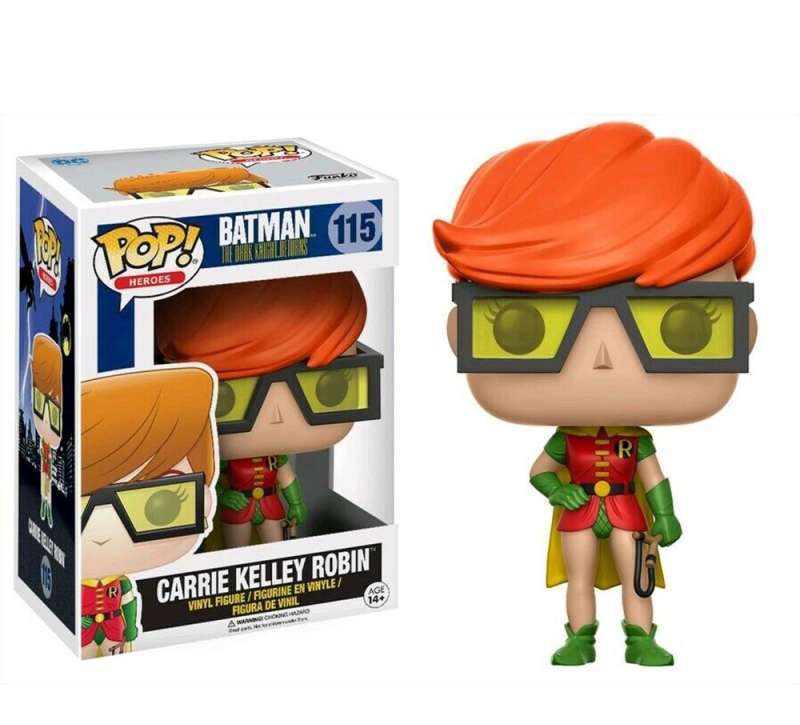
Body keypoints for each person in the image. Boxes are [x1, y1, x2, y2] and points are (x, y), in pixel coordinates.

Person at [434, 122, 756, 666]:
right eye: (523, 326)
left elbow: (654, 478)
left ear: (744, 333)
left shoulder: (638, 440)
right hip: (581, 512)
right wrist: (558, 493)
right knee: (578, 576)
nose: (603, 358)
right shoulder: (566, 440)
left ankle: (641, 638)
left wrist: (667, 515)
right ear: (458, 335)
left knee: (638, 576)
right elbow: (539, 470)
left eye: (681, 327)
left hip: (628, 512)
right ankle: (579, 637)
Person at [156, 272, 382, 548]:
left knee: (276, 544)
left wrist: (296, 504)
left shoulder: (276, 460)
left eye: (329, 387)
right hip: (237, 507)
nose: (277, 416)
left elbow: (287, 478)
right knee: (236, 548)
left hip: (271, 504)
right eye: (227, 397)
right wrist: (222, 496)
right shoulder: (222, 462)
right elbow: (207, 483)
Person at [80, 366, 217, 657]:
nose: (105, 530)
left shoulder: (121, 583)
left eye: (163, 502)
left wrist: (130, 629)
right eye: (81, 505)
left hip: (116, 632)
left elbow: (128, 601)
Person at [31, 333, 62, 528]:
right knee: (45, 479)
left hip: (47, 460)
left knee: (47, 479)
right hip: (45, 459)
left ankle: (47, 503)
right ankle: (45, 502)